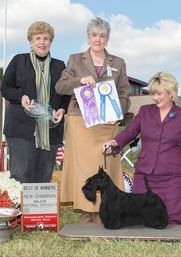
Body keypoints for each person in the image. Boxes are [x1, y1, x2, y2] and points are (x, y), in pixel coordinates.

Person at [55, 17, 131, 223]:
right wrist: (79, 80)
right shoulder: (74, 60)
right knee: (85, 168)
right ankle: (88, 210)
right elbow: (60, 87)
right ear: (88, 37)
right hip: (81, 122)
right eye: (94, 35)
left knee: (107, 166)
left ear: (107, 39)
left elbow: (125, 93)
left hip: (108, 125)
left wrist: (117, 114)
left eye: (102, 35)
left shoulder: (119, 63)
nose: (98, 39)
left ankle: (107, 208)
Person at [103, 72, 181, 225]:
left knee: (171, 220)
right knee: (138, 219)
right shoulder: (145, 111)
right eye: (153, 94)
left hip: (172, 179)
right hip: (144, 177)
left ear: (171, 93)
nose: (155, 98)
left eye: (159, 94)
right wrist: (114, 142)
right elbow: (130, 132)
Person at [1, 21, 70, 183]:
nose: (42, 42)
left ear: (50, 42)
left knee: (43, 178)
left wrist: (62, 109)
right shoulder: (19, 61)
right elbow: (5, 87)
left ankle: (40, 209)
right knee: (21, 177)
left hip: (50, 132)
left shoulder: (59, 66)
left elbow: (66, 94)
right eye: (37, 38)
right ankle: (20, 208)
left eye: (46, 38)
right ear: (30, 42)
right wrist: (20, 97)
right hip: (21, 130)